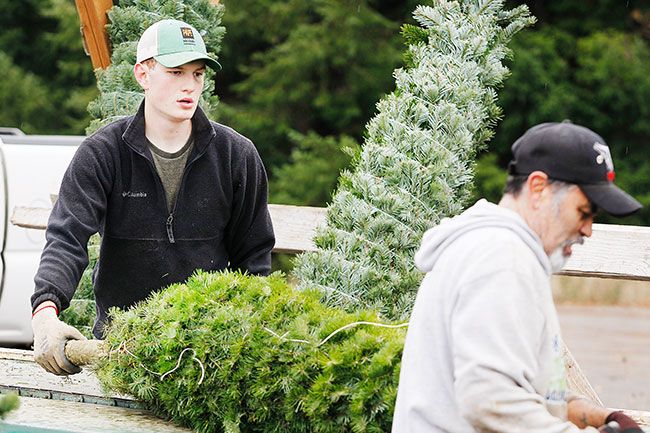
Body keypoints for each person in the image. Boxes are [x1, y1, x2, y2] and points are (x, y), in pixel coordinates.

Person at [30, 19, 275, 375]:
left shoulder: (236, 155)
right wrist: (45, 312)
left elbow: (254, 256)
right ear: (143, 75)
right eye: (175, 72)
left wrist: (249, 331)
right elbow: (66, 238)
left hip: (208, 352)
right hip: (120, 348)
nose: (189, 86)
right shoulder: (103, 153)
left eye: (197, 74)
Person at [392, 122, 644, 432]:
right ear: (538, 188)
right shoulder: (501, 258)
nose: (588, 230)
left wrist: (599, 418)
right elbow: (490, 400)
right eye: (583, 211)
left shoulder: (497, 250)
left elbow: (528, 392)